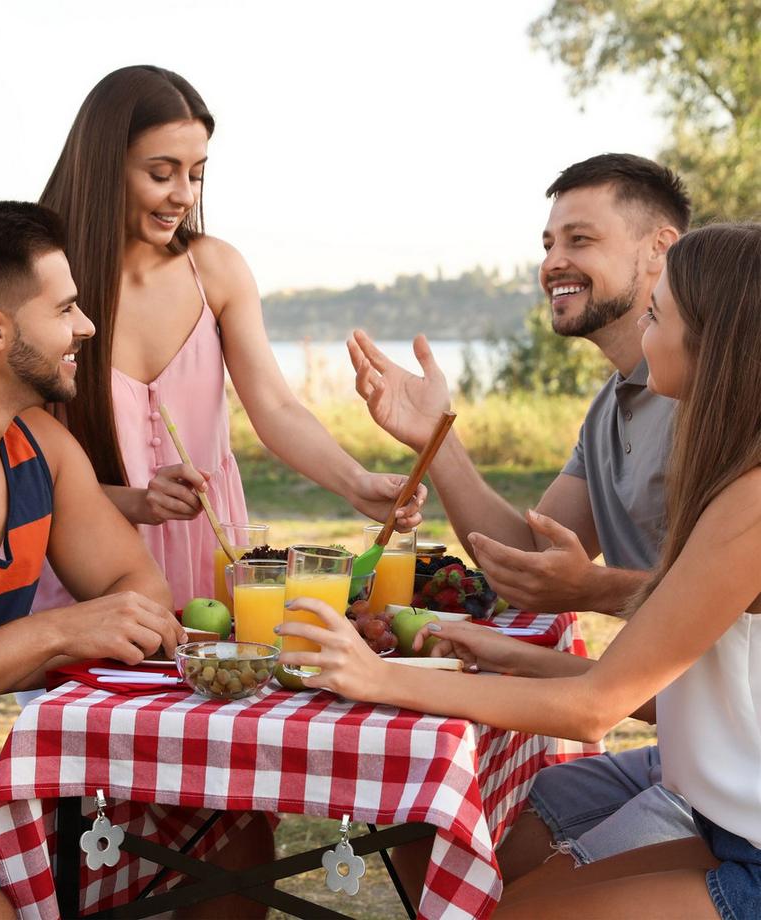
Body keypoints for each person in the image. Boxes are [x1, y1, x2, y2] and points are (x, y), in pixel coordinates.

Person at [280, 221, 761, 919]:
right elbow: (654, 685)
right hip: (729, 824)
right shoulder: (725, 480)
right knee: (503, 903)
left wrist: (376, 677)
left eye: (658, 315)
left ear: (713, 344)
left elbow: (597, 706)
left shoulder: (748, 503)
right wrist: (500, 651)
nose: (644, 328)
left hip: (747, 844)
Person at [0, 199, 270, 920]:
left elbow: (139, 595)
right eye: (66, 307)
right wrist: (41, 638)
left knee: (230, 836)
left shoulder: (37, 445)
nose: (87, 327)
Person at [347, 153, 700, 881]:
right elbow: (524, 564)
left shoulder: (716, 404)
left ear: (659, 249)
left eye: (580, 240)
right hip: (684, 745)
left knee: (514, 884)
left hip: (729, 768)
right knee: (438, 827)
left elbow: (722, 587)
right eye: (548, 245)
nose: (553, 263)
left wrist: (590, 589)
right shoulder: (611, 406)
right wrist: (438, 437)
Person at [34, 65, 424, 612]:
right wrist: (136, 501)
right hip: (90, 556)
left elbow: (276, 407)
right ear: (104, 168)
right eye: (161, 173)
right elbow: (20, 465)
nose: (182, 196)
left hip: (210, 548)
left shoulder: (215, 270)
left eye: (195, 175)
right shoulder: (46, 282)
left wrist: (356, 484)